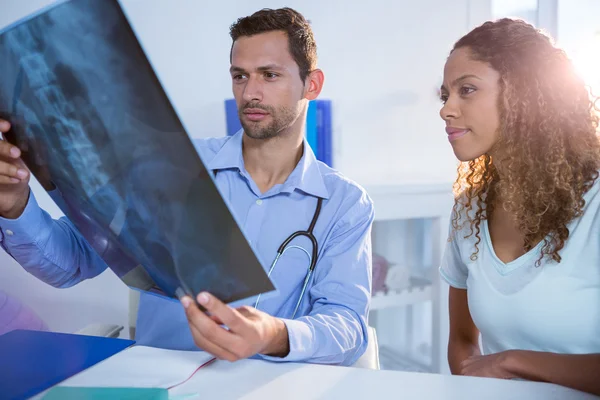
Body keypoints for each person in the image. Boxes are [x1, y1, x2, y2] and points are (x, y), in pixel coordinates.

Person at [0, 8, 374, 366]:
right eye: (240, 75)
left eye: (269, 75)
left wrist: (274, 335)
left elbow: (347, 325)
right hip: (162, 382)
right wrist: (16, 206)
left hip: (266, 386)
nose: (250, 93)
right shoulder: (168, 166)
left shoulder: (344, 203)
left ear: (312, 84)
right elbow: (72, 263)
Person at [438, 18, 600, 395]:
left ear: (524, 94)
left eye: (467, 90)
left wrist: (510, 361)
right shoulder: (470, 208)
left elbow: (491, 361)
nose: (447, 109)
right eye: (444, 95)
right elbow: (462, 341)